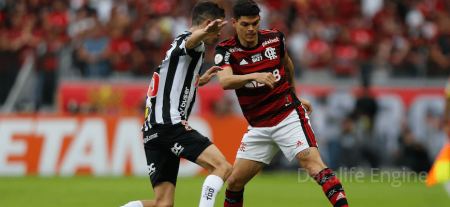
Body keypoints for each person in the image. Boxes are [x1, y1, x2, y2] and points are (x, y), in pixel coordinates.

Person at [213, 0, 349, 207]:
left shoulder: (275, 39)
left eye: (254, 23)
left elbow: (288, 66)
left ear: (259, 20)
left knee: (314, 166)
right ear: (234, 23)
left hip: (288, 117)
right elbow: (225, 81)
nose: (250, 29)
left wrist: (294, 96)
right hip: (259, 126)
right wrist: (254, 76)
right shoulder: (226, 50)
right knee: (234, 182)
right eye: (244, 24)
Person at [121, 2, 232, 207]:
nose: (217, 36)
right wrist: (203, 33)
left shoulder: (177, 48)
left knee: (163, 203)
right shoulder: (189, 41)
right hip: (169, 125)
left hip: (152, 131)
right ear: (208, 23)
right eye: (216, 30)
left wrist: (197, 80)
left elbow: (171, 80)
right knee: (222, 167)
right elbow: (191, 41)